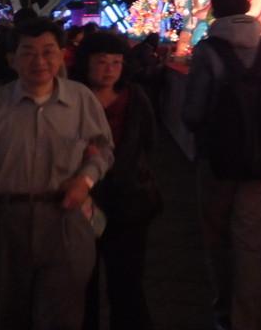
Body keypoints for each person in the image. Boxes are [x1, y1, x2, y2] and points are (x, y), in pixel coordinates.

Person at [182, 0, 261, 330]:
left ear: (214, 9)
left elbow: (192, 113)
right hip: (259, 162)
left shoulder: (208, 52)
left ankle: (223, 311)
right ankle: (249, 320)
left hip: (216, 160)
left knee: (217, 237)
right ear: (248, 6)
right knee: (250, 243)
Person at [0, 17, 115, 330]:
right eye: (28, 52)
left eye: (48, 51)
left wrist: (85, 180)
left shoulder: (81, 100)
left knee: (62, 313)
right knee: (4, 312)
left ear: (61, 54)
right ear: (11, 59)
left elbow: (103, 148)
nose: (39, 61)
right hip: (4, 220)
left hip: (64, 217)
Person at [74, 32, 160, 330]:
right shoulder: (73, 98)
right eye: (101, 62)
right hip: (82, 202)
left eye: (116, 62)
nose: (109, 69)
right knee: (82, 282)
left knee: (127, 282)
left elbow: (148, 142)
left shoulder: (135, 98)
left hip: (129, 202)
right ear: (86, 63)